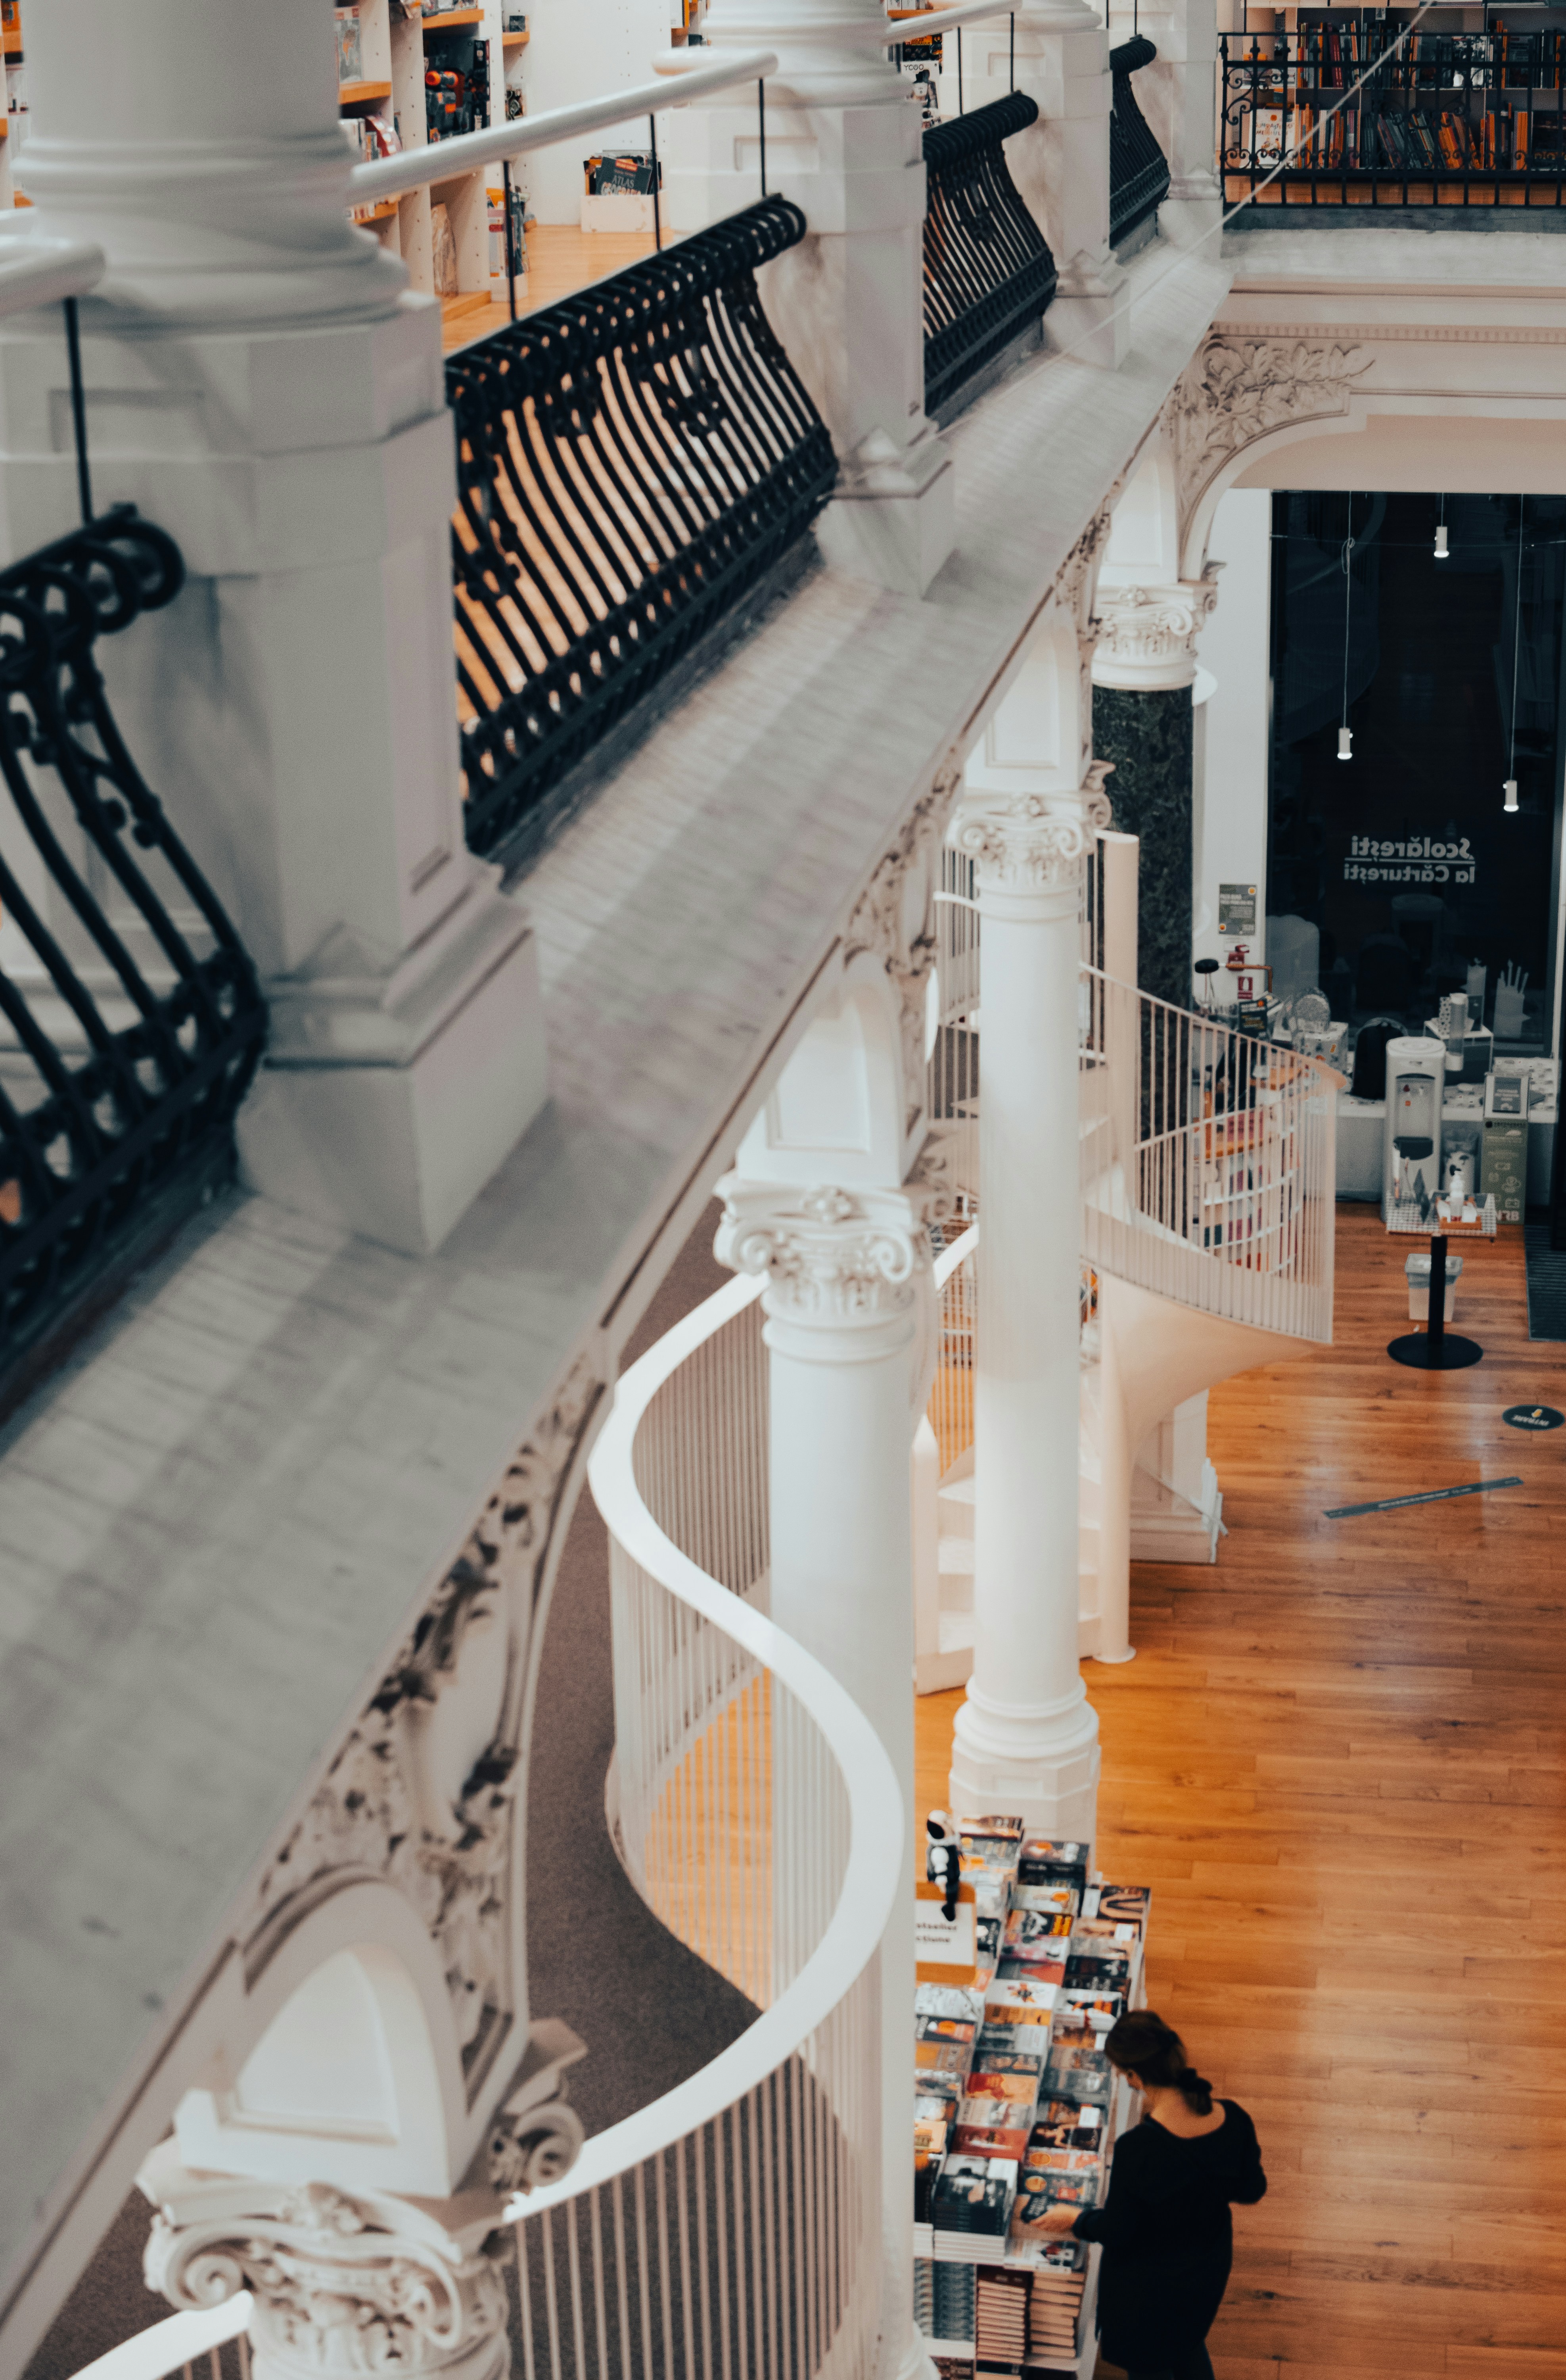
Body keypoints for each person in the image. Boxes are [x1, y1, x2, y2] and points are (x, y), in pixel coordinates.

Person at [1031, 2009, 1265, 2380]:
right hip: (1207, 2266)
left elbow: (1119, 2229)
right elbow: (1253, 2189)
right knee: (1188, 2344)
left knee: (1149, 2365)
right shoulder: (1234, 2118)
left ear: (1134, 2077)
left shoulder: (1139, 2148)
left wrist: (1077, 2220)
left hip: (1149, 2288)